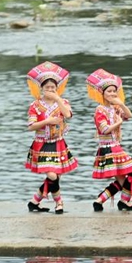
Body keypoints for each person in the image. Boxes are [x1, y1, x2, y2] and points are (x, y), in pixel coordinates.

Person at [24, 61, 78, 214]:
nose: (50, 90)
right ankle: (59, 203)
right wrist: (47, 121)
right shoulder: (35, 105)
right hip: (42, 143)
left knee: (55, 176)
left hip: (58, 142)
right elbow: (30, 127)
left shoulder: (63, 102)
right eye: (47, 87)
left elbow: (68, 115)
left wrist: (58, 99)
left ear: (57, 88)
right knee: (52, 175)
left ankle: (35, 201)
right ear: (41, 88)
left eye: (53, 87)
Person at [86, 69, 132, 212]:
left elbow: (129, 115)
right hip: (108, 147)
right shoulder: (100, 110)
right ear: (102, 93)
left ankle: (101, 200)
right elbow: (104, 130)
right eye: (109, 91)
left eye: (114, 91)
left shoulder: (115, 108)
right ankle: (122, 201)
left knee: (124, 178)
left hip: (115, 145)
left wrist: (121, 104)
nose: (112, 94)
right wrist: (118, 123)